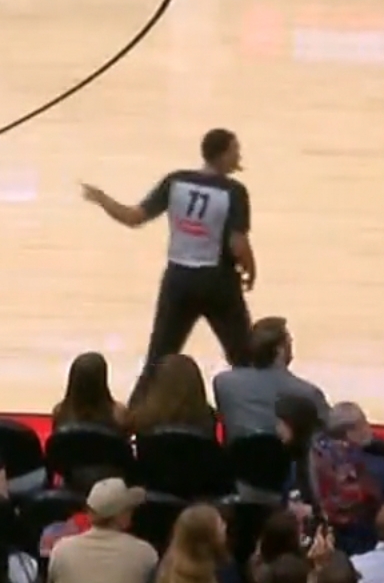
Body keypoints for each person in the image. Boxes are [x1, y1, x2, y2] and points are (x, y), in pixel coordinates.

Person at [80, 127, 258, 389]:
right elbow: (237, 244)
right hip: (218, 281)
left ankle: (138, 408)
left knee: (158, 359)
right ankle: (256, 409)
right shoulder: (234, 191)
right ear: (222, 155)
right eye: (235, 150)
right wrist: (251, 269)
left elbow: (134, 217)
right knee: (244, 358)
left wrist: (102, 199)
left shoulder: (176, 181)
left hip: (178, 280)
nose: (239, 155)